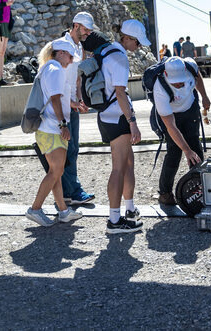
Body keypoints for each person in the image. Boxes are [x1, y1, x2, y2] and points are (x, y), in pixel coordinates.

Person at [25, 38, 86, 227]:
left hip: (47, 127)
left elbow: (55, 97)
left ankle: (63, 211)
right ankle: (35, 209)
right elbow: (55, 99)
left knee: (55, 172)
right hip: (51, 128)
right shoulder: (56, 69)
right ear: (60, 53)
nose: (70, 61)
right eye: (69, 56)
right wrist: (63, 125)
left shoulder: (47, 68)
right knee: (56, 171)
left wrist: (74, 104)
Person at [98, 19, 151, 234]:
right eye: (137, 43)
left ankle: (129, 210)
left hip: (107, 115)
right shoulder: (119, 58)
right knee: (119, 167)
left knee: (128, 164)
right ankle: (114, 219)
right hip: (117, 117)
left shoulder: (107, 51)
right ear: (127, 38)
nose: (138, 47)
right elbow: (120, 93)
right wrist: (133, 123)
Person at [153, 57, 211, 205]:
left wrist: (204, 96)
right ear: (166, 75)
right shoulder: (159, 88)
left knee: (195, 147)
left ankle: (199, 187)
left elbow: (197, 78)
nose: (179, 84)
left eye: (181, 80)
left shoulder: (190, 66)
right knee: (174, 151)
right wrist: (186, 150)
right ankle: (165, 193)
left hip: (190, 109)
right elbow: (171, 126)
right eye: (175, 82)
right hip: (171, 115)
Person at [59, 12, 96, 207]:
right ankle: (73, 191)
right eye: (85, 29)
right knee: (66, 149)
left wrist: (80, 99)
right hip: (61, 106)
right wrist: (70, 102)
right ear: (75, 26)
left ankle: (68, 192)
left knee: (73, 149)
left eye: (89, 30)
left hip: (72, 104)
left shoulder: (80, 47)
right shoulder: (60, 46)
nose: (88, 33)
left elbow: (77, 78)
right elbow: (57, 79)